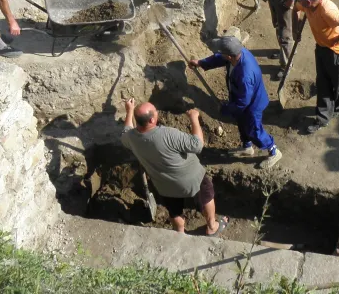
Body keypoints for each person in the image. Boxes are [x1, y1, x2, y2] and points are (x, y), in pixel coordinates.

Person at [120, 99, 228, 235]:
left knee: (174, 210)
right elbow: (197, 145)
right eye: (155, 111)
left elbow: (125, 132)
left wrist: (129, 111)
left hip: (165, 185)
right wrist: (194, 118)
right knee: (206, 195)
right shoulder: (168, 134)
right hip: (192, 179)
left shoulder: (131, 138)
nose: (157, 112)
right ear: (152, 120)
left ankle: (179, 234)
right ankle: (212, 226)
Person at [189, 34, 282, 169]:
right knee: (241, 122)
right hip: (241, 98)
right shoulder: (238, 53)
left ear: (230, 56)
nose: (221, 55)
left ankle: (274, 151)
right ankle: (247, 147)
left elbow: (243, 102)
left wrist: (226, 109)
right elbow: (219, 58)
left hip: (252, 105)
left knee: (253, 130)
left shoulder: (245, 74)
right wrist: (202, 63)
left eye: (223, 53)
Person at [291, 0, 339, 134]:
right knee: (322, 82)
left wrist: (336, 39)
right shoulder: (307, 5)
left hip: (337, 51)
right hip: (321, 47)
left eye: (301, 1)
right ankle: (323, 117)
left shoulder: (328, 11)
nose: (299, 3)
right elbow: (295, 9)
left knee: (338, 83)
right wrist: (295, 30)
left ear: (308, 2)